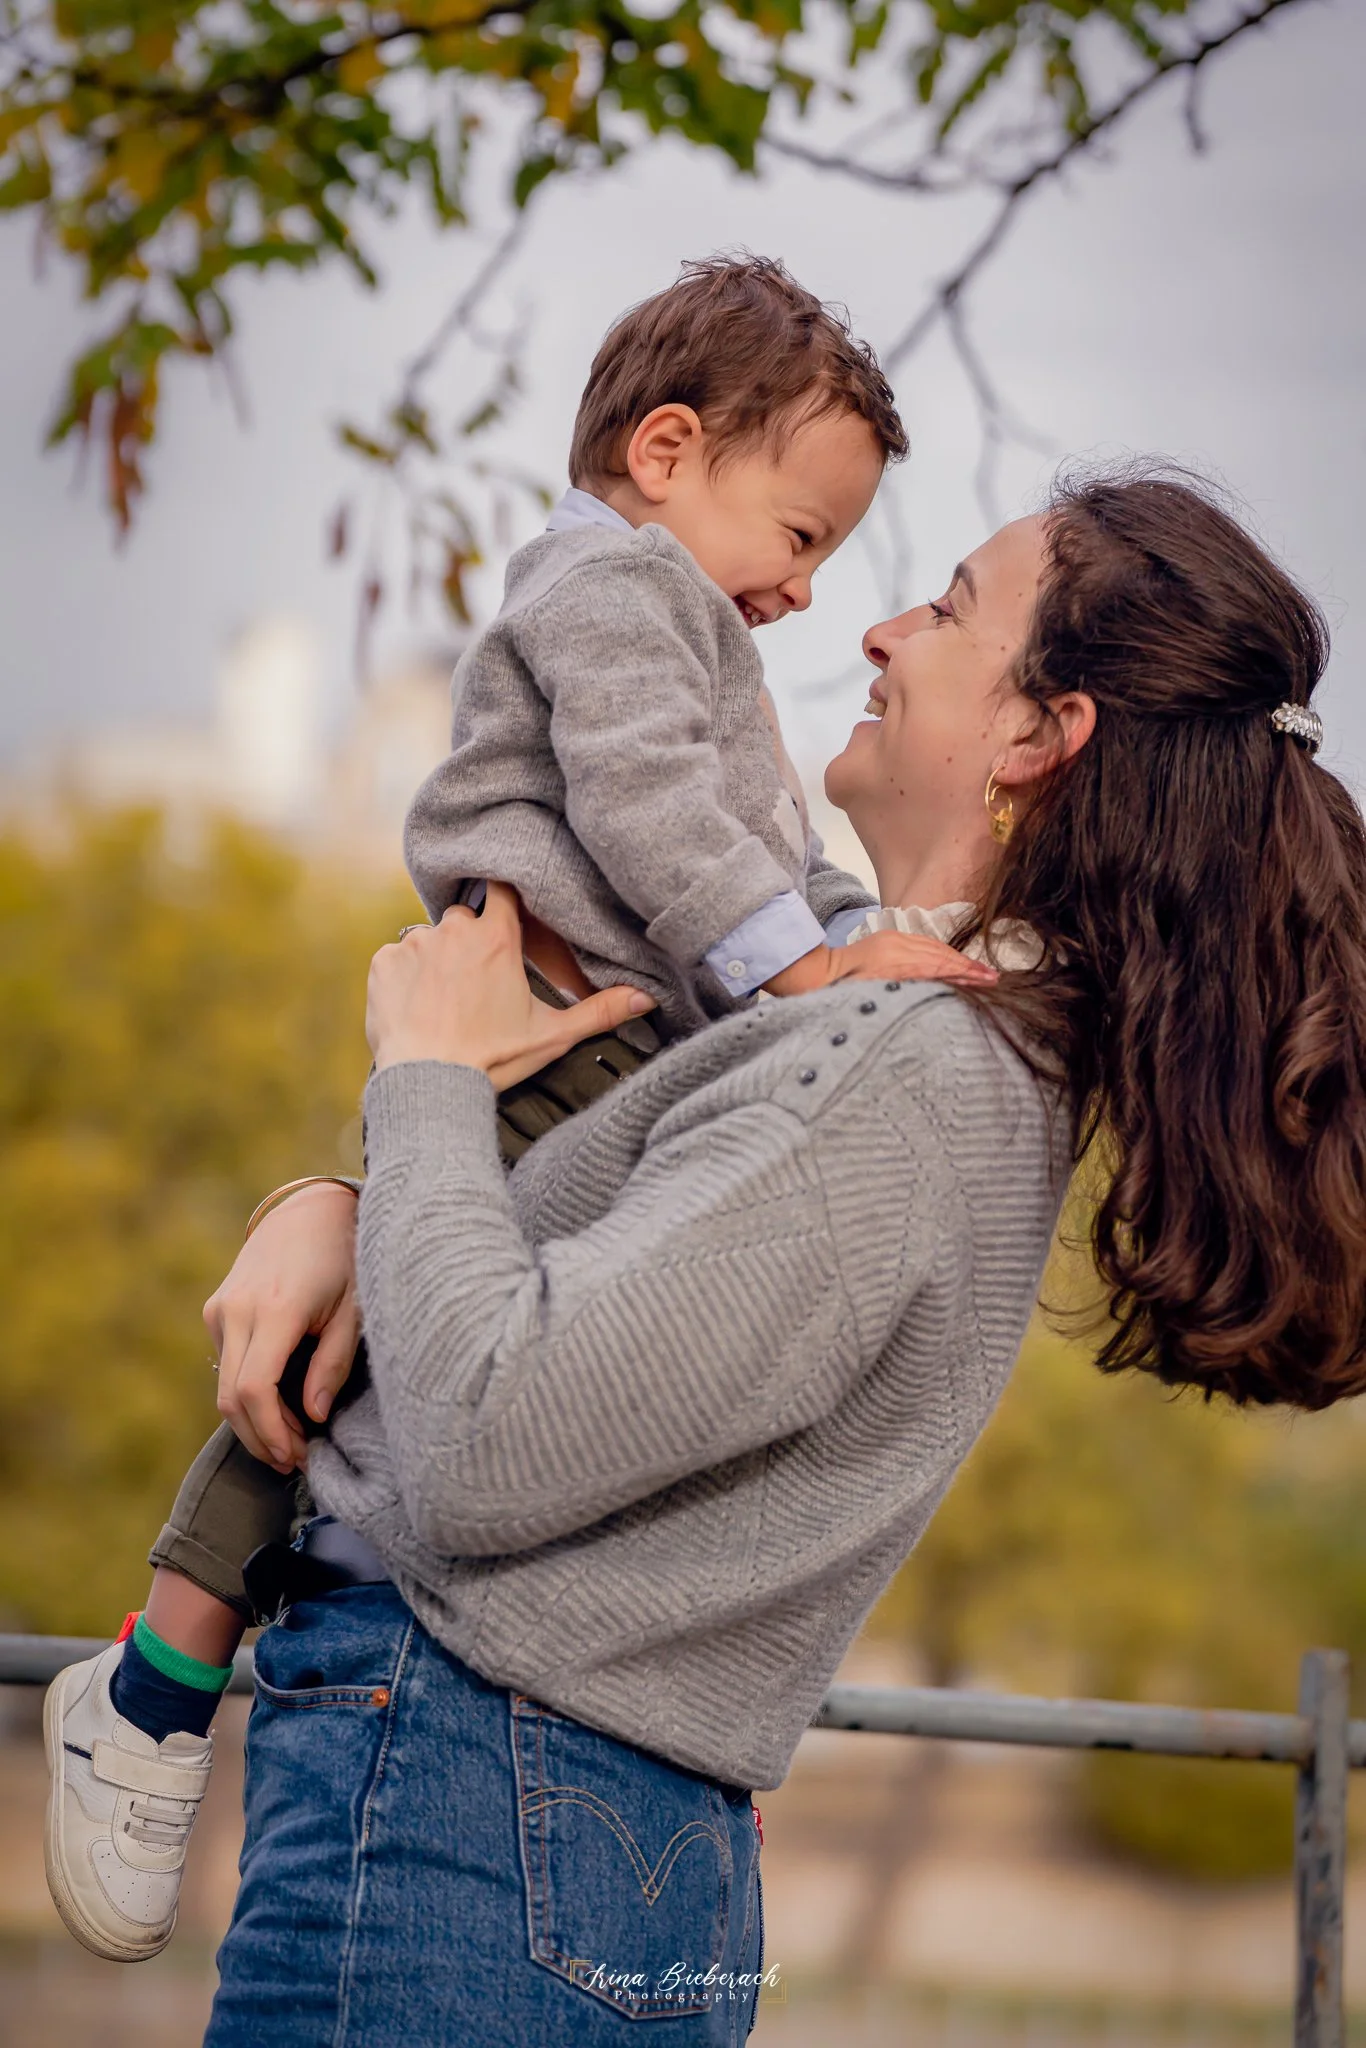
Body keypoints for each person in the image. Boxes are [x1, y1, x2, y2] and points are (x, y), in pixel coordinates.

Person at [193, 469, 1366, 2043]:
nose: (877, 628)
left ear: (1038, 737)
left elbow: (484, 1438)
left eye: (947, 607)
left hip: (470, 1817)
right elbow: (567, 1271)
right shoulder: (904, 1042)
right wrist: (341, 1200)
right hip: (563, 1834)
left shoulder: (900, 1068)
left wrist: (419, 1069)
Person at [42, 254, 999, 1968]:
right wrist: (803, 973)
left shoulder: (692, 625)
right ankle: (158, 1679)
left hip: (601, 1036)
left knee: (484, 1350)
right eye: (798, 534)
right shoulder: (607, 595)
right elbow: (654, 817)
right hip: (546, 1023)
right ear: (665, 451)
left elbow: (767, 862)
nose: (808, 592)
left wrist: (873, 941)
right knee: (355, 1367)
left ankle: (601, 1682)